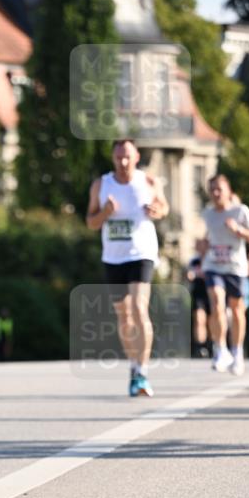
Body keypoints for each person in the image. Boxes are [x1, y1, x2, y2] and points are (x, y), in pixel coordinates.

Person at [86, 139, 169, 396]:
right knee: (124, 317)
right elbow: (91, 222)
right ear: (113, 159)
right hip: (113, 257)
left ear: (136, 157)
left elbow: (164, 208)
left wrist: (157, 210)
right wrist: (106, 212)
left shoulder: (149, 182)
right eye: (118, 157)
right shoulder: (101, 185)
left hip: (142, 253)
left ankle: (143, 372)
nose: (122, 162)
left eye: (127, 157)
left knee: (138, 307)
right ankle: (134, 366)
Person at [200, 174, 249, 375]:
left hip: (235, 267)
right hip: (213, 265)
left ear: (228, 190)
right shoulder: (207, 213)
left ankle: (237, 352)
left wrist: (238, 231)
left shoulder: (240, 211)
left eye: (219, 189)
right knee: (216, 302)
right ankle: (220, 350)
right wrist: (202, 246)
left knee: (236, 310)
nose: (215, 193)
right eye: (212, 190)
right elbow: (206, 238)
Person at [186, 251, 211, 358]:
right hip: (198, 294)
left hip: (211, 293)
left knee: (211, 321)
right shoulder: (194, 260)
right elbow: (189, 274)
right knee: (199, 320)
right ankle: (201, 346)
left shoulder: (212, 258)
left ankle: (212, 345)